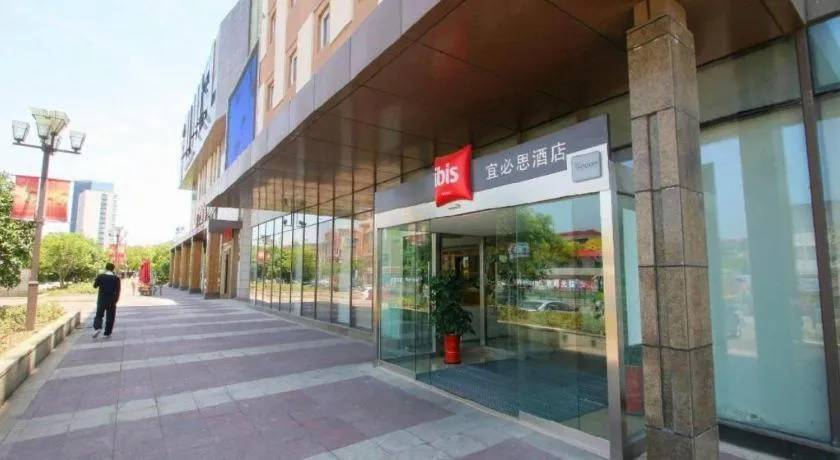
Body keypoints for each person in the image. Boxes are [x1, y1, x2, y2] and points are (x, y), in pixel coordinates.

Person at [92, 263, 121, 338]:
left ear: (106, 268)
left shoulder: (100, 276)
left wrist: (97, 280)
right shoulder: (116, 278)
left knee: (99, 315)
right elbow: (118, 291)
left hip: (101, 300)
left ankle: (97, 327)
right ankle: (107, 332)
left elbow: (95, 286)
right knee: (110, 317)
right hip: (111, 300)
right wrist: (116, 300)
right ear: (113, 269)